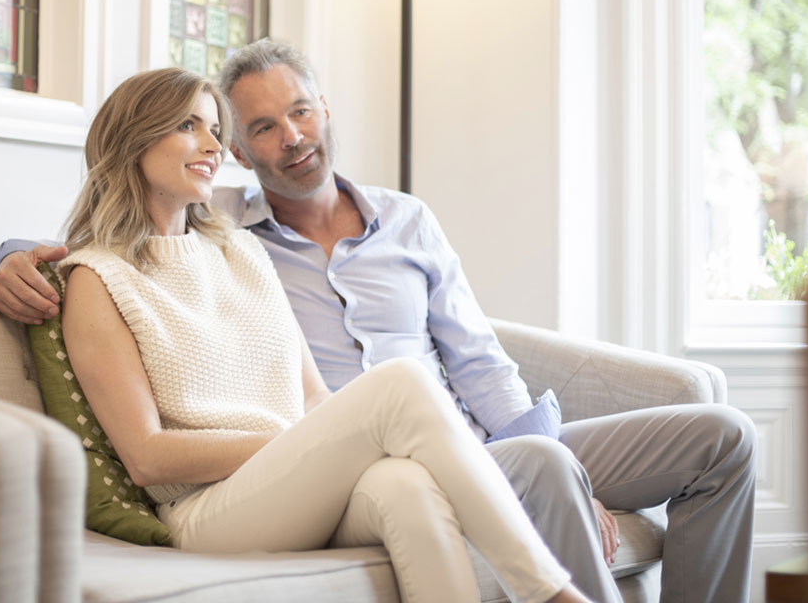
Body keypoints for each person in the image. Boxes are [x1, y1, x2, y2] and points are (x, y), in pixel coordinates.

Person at [0, 41, 757, 603]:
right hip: (292, 464)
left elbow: (479, 362)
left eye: (297, 111)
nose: (282, 136)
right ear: (244, 160)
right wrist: (15, 262)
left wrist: (532, 443)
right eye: (248, 128)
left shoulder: (370, 227)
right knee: (403, 398)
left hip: (433, 446)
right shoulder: (214, 230)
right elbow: (108, 254)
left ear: (324, 110)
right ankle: (558, 596)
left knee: (718, 434)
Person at [50, 66, 592, 603]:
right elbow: (148, 458)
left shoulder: (240, 250)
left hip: (292, 479)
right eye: (190, 126)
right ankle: (550, 592)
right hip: (206, 509)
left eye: (217, 129)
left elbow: (313, 398)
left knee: (409, 488)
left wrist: (320, 446)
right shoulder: (99, 279)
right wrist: (302, 447)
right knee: (398, 382)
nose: (213, 145)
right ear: (133, 141)